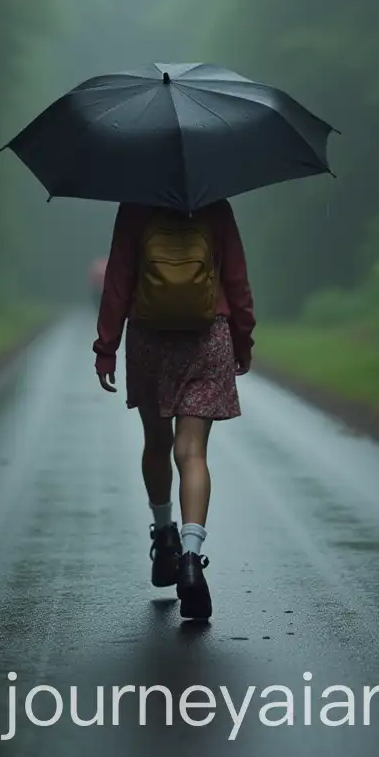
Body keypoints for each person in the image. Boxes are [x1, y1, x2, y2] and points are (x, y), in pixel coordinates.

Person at [93, 199, 255, 620]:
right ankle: (190, 556)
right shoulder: (215, 204)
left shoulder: (135, 206)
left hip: (150, 337)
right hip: (208, 336)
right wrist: (244, 337)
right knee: (193, 453)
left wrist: (106, 347)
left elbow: (118, 279)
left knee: (156, 442)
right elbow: (236, 278)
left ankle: (163, 534)